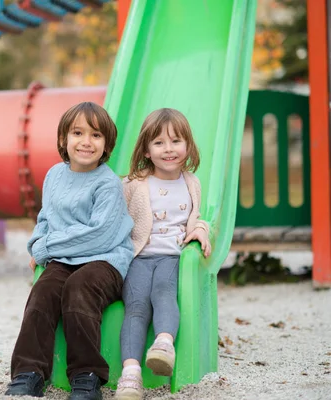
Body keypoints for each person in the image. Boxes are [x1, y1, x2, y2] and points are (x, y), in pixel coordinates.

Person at [5, 102, 135, 400]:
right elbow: (46, 219)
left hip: (106, 260)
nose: (86, 142)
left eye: (96, 135)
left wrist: (47, 247)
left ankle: (86, 376)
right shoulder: (54, 175)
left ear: (107, 145)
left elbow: (99, 235)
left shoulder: (107, 184)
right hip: (64, 260)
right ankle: (29, 374)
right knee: (42, 293)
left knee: (79, 288)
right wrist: (37, 245)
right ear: (64, 139)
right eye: (78, 133)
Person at [115, 108, 211, 400]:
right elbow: (115, 218)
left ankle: (163, 344)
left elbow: (196, 218)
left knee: (164, 294)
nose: (168, 149)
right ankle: (130, 374)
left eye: (176, 141)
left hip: (171, 257)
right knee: (136, 307)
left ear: (188, 145)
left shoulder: (191, 182)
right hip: (137, 258)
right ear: (146, 149)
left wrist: (202, 230)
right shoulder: (133, 184)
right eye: (159, 143)